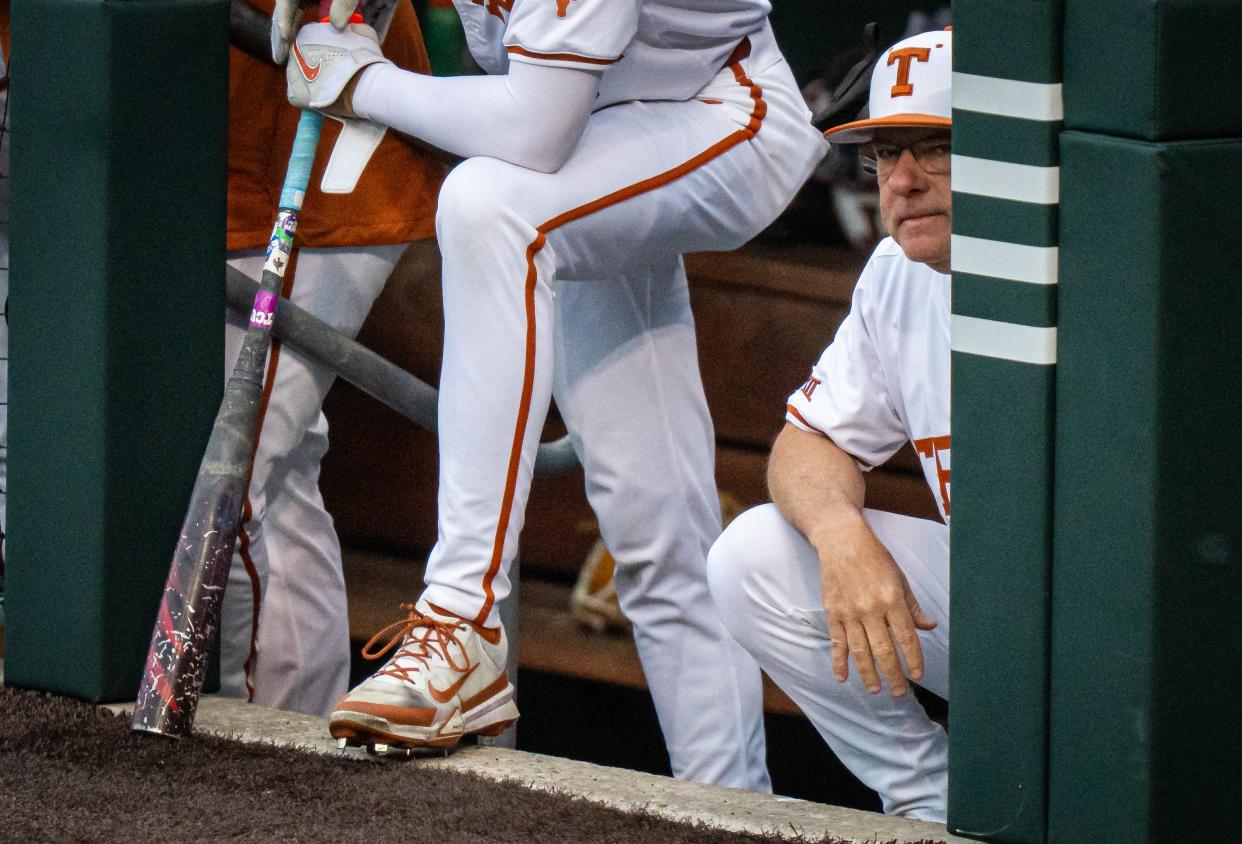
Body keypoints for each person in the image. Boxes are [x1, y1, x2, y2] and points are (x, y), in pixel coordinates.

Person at [271, 0, 827, 787]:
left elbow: (533, 128)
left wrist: (362, 84)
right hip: (604, 140)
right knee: (656, 522)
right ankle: (732, 804)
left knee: (488, 203)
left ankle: (461, 616)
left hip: (720, 112)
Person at [706, 29, 953, 819]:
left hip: (1146, 630)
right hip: (1008, 604)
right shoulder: (897, 274)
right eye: (885, 155)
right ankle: (935, 805)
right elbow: (811, 444)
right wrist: (842, 535)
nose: (903, 181)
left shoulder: (1109, 265)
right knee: (755, 557)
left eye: (935, 150)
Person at [216, 0, 445, 717]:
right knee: (273, 479)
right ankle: (293, 749)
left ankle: (240, 749)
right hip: (170, 146)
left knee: (232, 477)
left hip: (315, 151)